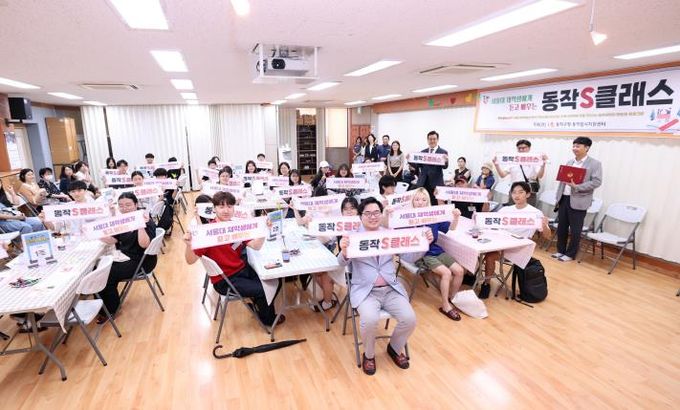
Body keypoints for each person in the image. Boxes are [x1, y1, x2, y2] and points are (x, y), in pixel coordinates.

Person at [338, 197, 431, 375]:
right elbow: (341, 263)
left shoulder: (390, 234)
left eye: (376, 213)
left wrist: (424, 244)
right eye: (368, 213)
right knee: (370, 320)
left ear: (381, 214)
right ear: (360, 216)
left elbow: (408, 258)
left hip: (390, 289)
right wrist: (344, 251)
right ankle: (369, 355)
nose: (373, 217)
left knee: (410, 319)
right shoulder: (352, 237)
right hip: (366, 292)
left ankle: (394, 348)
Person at [184, 191, 283, 327]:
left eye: (229, 206)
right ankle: (267, 319)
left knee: (275, 280)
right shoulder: (207, 233)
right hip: (225, 280)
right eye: (221, 207)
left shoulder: (236, 227)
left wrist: (264, 230)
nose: (226, 210)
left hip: (241, 269)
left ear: (234, 209)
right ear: (214, 209)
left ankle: (259, 308)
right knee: (263, 289)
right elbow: (190, 261)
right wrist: (189, 245)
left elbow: (256, 246)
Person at [479, 182, 552, 298]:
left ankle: (485, 284)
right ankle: (481, 281)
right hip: (501, 244)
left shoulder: (535, 213)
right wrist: (486, 199)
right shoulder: (505, 210)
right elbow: (485, 219)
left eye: (520, 192)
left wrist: (544, 225)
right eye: (514, 192)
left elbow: (547, 236)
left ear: (528, 194)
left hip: (519, 250)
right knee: (482, 252)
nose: (516, 195)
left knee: (489, 256)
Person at [98, 192, 157, 321]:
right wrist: (96, 234)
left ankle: (111, 309)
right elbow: (113, 240)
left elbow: (144, 244)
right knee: (98, 269)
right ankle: (105, 305)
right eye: (121, 205)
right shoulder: (123, 222)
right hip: (125, 257)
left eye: (128, 205)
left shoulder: (146, 220)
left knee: (106, 274)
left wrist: (140, 225)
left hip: (142, 261)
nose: (124, 208)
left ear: (136, 205)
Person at [409, 188, 465, 320]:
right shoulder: (409, 218)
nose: (420, 202)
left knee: (459, 271)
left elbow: (451, 228)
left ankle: (451, 299)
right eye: (417, 199)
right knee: (446, 273)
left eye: (424, 200)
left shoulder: (433, 215)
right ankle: (445, 306)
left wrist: (456, 217)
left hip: (435, 249)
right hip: (422, 254)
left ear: (428, 201)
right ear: (412, 201)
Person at [553, 136, 602, 262]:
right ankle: (560, 251)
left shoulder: (594, 164)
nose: (574, 148)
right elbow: (563, 180)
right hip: (564, 198)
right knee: (562, 227)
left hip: (579, 200)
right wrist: (558, 196)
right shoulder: (570, 162)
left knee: (575, 229)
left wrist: (578, 187)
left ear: (587, 148)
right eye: (574, 146)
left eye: (578, 146)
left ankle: (570, 254)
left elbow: (596, 182)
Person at [493, 139, 548, 206]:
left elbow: (540, 176)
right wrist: (496, 165)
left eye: (524, 148)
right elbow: (502, 175)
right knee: (512, 209)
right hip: (514, 191)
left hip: (529, 192)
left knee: (528, 210)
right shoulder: (512, 160)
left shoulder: (534, 160)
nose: (521, 150)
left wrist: (543, 165)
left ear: (529, 148)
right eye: (519, 148)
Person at [417, 130, 448, 205]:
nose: (432, 141)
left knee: (435, 204)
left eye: (434, 139)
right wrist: (410, 160)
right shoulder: (423, 152)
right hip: (423, 182)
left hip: (436, 183)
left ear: (437, 140)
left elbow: (445, 167)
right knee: (423, 204)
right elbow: (418, 165)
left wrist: (446, 161)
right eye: (430, 139)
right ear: (427, 140)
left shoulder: (443, 152)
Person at [153, 168, 175, 235]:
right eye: (158, 176)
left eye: (161, 176)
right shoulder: (156, 185)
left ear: (166, 176)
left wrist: (175, 188)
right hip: (161, 202)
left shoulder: (170, 184)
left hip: (166, 201)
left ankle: (165, 225)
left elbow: (173, 198)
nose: (160, 178)